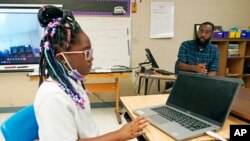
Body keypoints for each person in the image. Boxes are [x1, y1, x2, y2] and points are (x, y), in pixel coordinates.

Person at [34, 5, 148, 141]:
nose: (92, 58)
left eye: (91, 52)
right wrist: (119, 135)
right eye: (86, 52)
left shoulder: (71, 82)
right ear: (62, 58)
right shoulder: (53, 97)